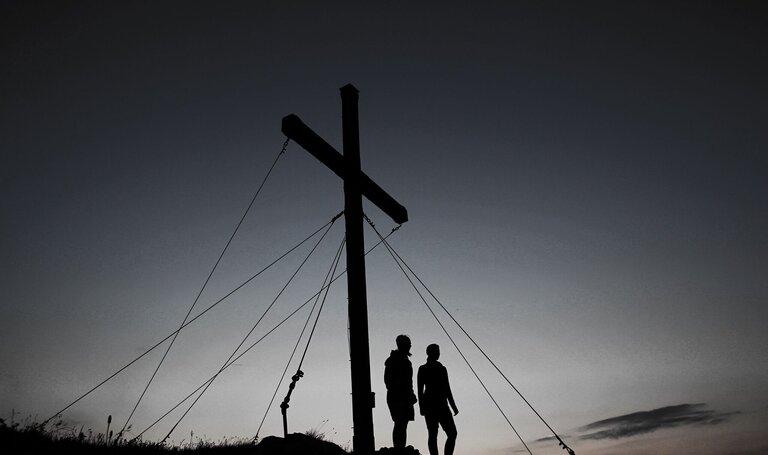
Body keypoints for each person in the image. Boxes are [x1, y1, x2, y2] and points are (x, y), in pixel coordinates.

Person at [418, 344, 458, 455]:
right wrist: (421, 407)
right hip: (434, 405)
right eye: (437, 351)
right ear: (430, 353)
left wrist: (453, 406)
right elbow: (420, 390)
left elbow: (447, 388)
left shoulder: (441, 369)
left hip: (440, 404)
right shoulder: (424, 369)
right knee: (434, 434)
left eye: (438, 351)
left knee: (450, 433)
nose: (438, 353)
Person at [384, 334, 417, 449]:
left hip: (402, 396)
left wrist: (410, 394)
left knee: (402, 424)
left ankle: (400, 448)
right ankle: (399, 448)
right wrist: (406, 393)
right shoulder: (395, 361)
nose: (410, 346)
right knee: (400, 423)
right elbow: (390, 381)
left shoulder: (399, 360)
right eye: (408, 344)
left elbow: (408, 381)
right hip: (398, 397)